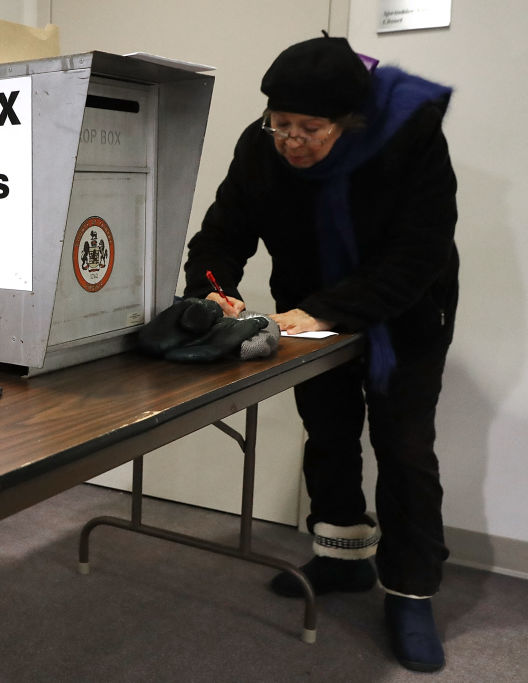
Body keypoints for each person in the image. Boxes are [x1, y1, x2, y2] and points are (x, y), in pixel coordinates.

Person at [181, 35, 457, 672]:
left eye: (309, 128)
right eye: (279, 125)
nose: (291, 141)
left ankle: (411, 593)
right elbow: (221, 235)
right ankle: (341, 560)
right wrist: (215, 293)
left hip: (406, 310)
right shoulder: (261, 147)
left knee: (404, 446)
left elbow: (419, 254)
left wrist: (328, 310)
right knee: (328, 431)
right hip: (310, 313)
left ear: (352, 123)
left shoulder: (409, 139)